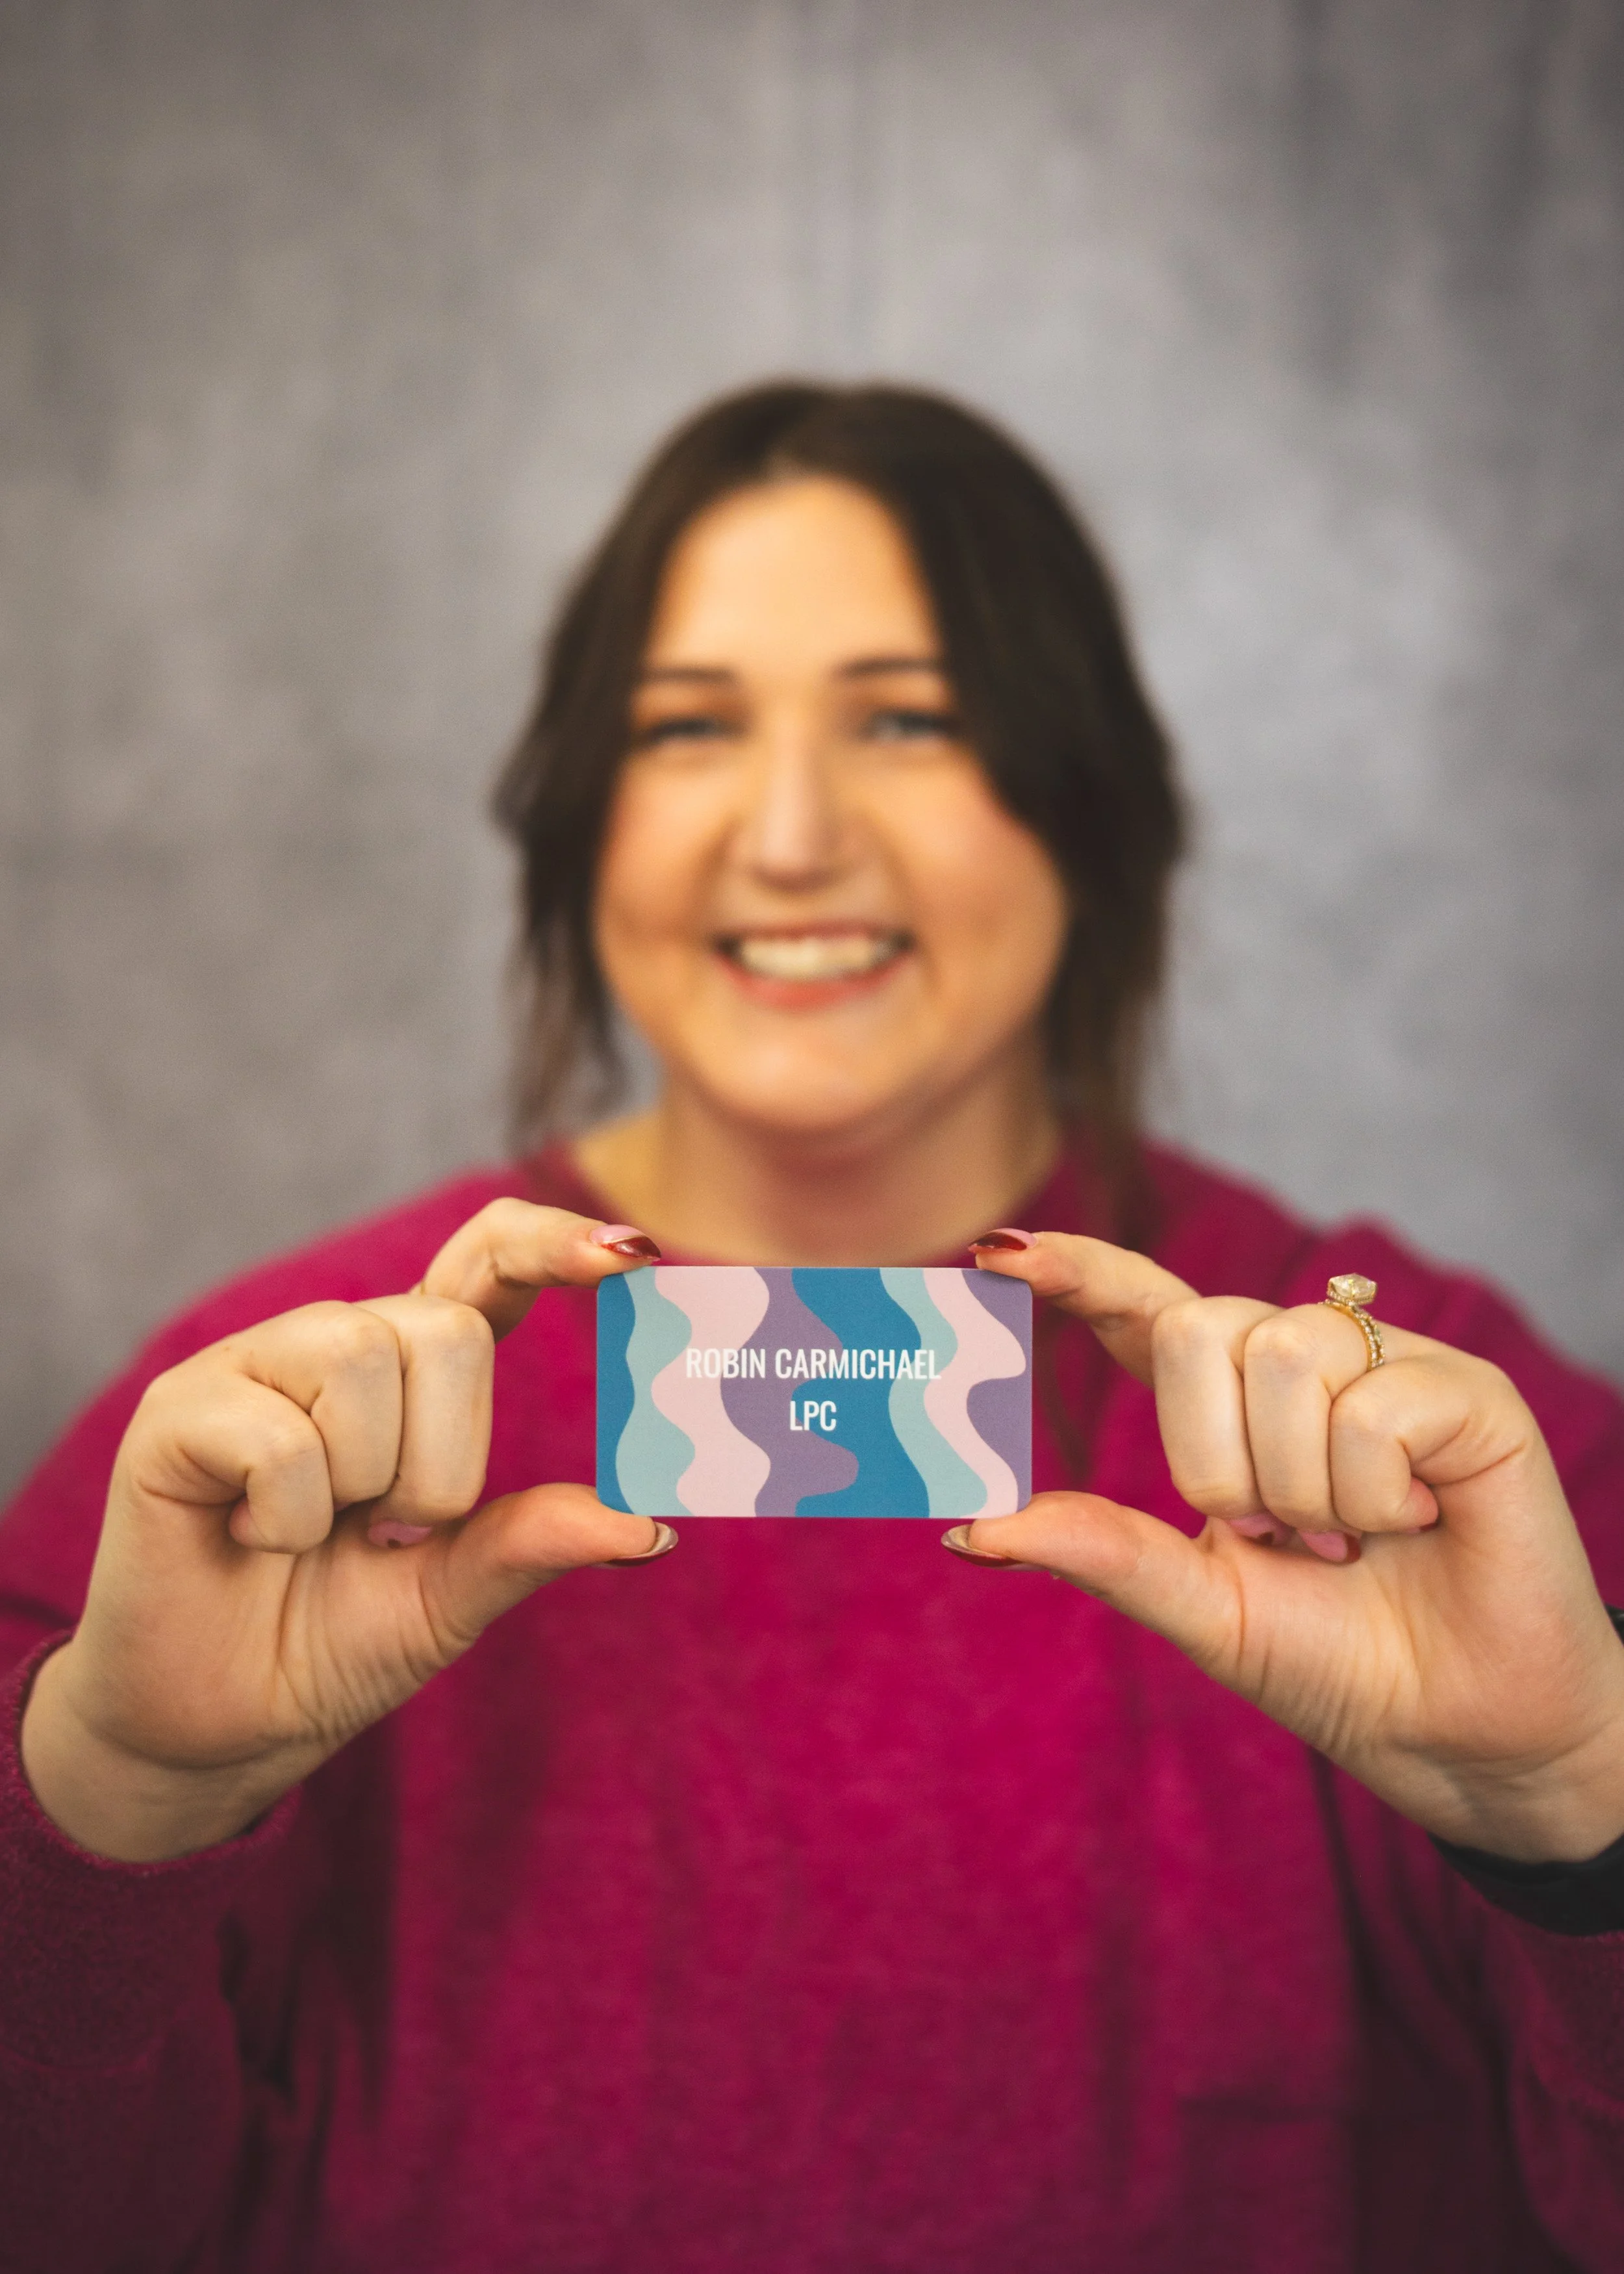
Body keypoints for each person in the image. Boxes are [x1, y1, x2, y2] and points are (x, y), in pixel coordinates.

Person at [3, 381, 1623, 2274]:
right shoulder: (245, 1449)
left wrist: (1574, 1819)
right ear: (578, 820)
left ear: (1091, 801)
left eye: (909, 719)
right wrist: (113, 1815)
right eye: (687, 727)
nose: (787, 839)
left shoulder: (1440, 1457)